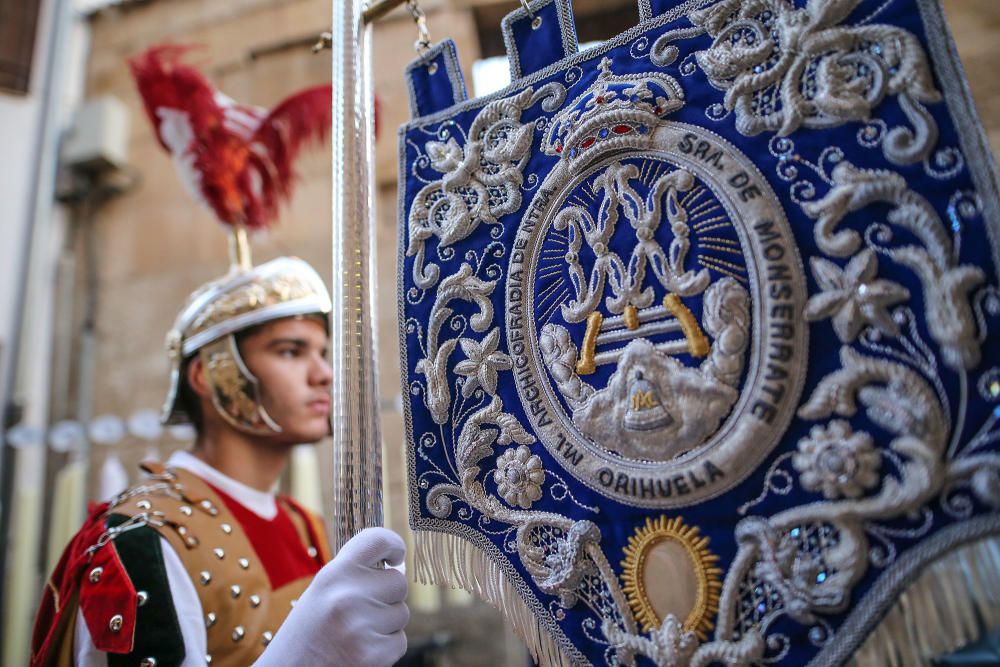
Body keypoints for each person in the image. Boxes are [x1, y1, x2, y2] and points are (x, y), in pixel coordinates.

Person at [29, 245, 409, 666]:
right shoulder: (145, 538)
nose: (324, 373)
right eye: (290, 351)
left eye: (321, 353)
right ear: (210, 373)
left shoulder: (306, 526)